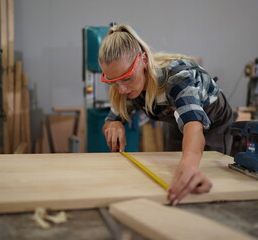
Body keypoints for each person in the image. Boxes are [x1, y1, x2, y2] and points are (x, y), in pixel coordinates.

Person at [99, 24, 233, 205]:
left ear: (143, 61)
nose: (121, 89)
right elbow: (110, 120)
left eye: (127, 78)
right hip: (180, 122)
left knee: (204, 181)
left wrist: (189, 165)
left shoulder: (177, 77)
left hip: (214, 121)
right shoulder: (127, 88)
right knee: (174, 178)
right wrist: (113, 124)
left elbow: (193, 126)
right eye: (114, 82)